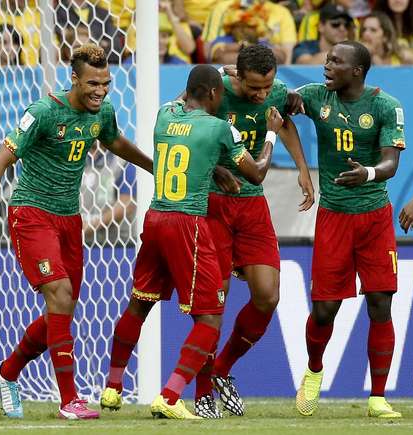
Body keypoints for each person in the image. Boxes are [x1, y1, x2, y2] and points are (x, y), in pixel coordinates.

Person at [0, 44, 152, 420]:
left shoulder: (102, 111)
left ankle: (8, 372)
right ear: (74, 78)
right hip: (31, 214)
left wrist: (151, 167)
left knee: (63, 308)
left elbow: (114, 140)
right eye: (93, 83)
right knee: (59, 296)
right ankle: (69, 400)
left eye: (106, 83)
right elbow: (0, 161)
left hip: (68, 219)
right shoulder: (43, 112)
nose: (101, 90)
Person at [99, 64, 283, 419]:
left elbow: (188, 138)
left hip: (153, 220)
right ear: (215, 94)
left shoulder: (164, 115)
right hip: (188, 223)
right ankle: (170, 397)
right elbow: (257, 174)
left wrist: (215, 168)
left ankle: (112, 387)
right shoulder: (220, 129)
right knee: (210, 318)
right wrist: (271, 134)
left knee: (139, 304)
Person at [193, 44, 315, 418]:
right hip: (213, 203)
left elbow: (285, 124)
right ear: (237, 78)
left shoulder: (274, 92)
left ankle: (222, 369)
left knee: (267, 295)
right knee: (215, 300)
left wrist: (303, 169)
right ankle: (200, 392)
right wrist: (215, 170)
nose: (262, 95)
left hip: (252, 205)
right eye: (254, 88)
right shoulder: (215, 89)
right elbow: (188, 129)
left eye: (268, 86)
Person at [293, 41, 405, 419]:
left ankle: (377, 397)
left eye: (335, 61)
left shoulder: (385, 106)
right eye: (327, 59)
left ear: (356, 70)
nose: (327, 65)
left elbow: (391, 163)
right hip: (334, 218)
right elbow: (276, 99)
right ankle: (313, 370)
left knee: (380, 305)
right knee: (325, 311)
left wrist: (368, 173)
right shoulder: (314, 97)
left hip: (374, 218)